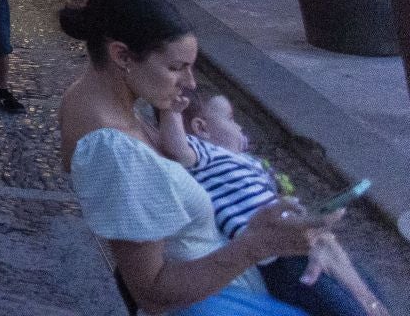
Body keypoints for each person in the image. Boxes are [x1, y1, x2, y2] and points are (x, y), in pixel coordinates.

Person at [59, 0, 327, 316]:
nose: (190, 82)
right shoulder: (114, 151)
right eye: (175, 67)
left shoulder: (92, 99)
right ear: (122, 56)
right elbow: (152, 292)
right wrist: (255, 245)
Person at [159, 94, 386, 316]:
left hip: (295, 238)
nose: (239, 126)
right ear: (201, 128)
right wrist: (171, 112)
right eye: (230, 118)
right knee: (340, 305)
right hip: (277, 255)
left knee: (369, 290)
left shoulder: (244, 161)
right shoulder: (203, 154)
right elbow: (177, 146)